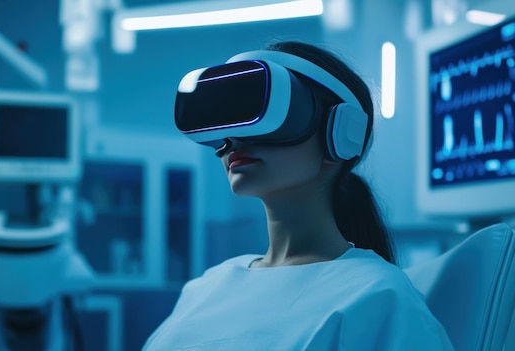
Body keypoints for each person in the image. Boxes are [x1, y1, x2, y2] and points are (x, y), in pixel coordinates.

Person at [142, 41, 454, 350]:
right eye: (229, 119)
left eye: (267, 113)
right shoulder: (204, 288)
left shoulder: (378, 296)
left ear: (340, 131)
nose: (236, 138)